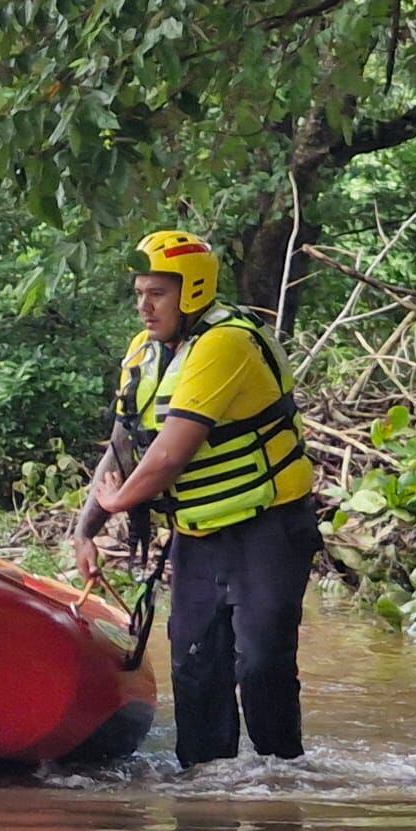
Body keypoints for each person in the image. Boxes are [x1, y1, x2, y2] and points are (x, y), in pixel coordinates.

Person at [71, 229, 320, 769]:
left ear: (193, 290)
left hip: (267, 530)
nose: (143, 306)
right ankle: (205, 789)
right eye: (139, 293)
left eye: (157, 293)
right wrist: (85, 527)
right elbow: (123, 446)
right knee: (195, 668)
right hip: (199, 535)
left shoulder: (225, 342)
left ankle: (282, 780)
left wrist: (118, 506)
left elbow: (167, 456)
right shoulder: (143, 352)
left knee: (260, 663)